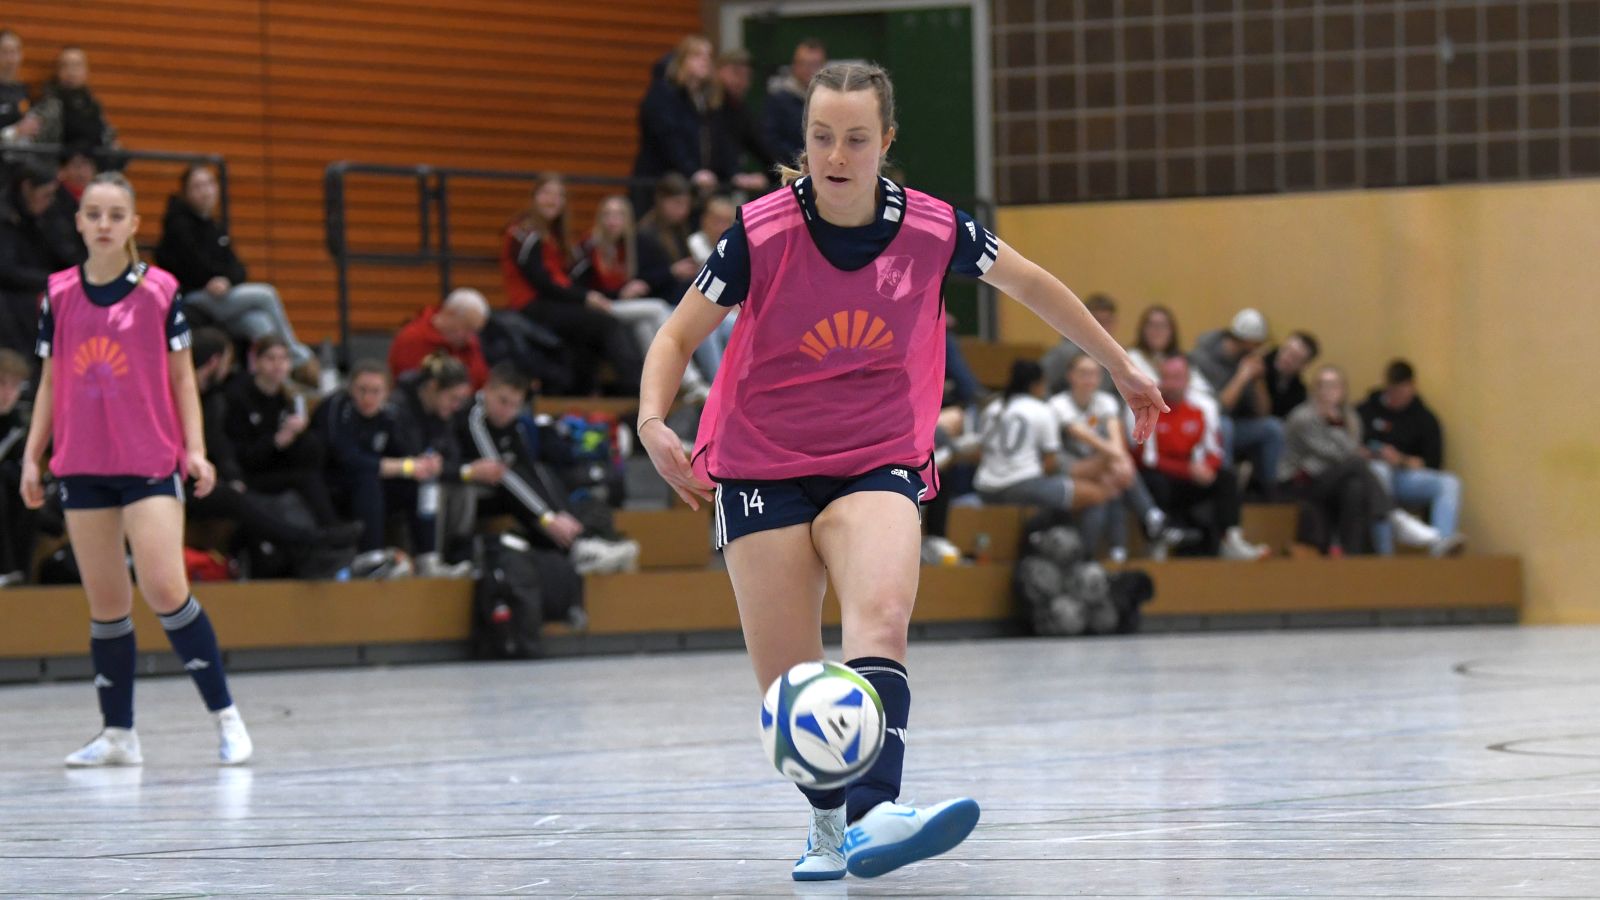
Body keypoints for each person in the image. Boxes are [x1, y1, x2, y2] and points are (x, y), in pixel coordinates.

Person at [636, 62, 1166, 880]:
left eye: (855, 139)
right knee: (793, 689)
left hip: (876, 452)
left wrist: (1121, 366)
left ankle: (875, 813)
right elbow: (675, 336)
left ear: (885, 141)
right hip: (760, 463)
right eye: (820, 137)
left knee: (881, 617)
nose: (835, 156)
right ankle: (827, 826)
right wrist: (651, 421)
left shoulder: (931, 227)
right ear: (803, 140)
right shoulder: (761, 232)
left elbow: (1030, 283)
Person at [19, 172, 251, 766]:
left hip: (148, 459)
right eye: (93, 213)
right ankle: (118, 734)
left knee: (166, 588)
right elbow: (50, 381)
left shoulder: (159, 291)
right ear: (78, 222)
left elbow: (182, 379)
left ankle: (226, 716)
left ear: (134, 224)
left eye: (115, 215)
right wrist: (32, 456)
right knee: (106, 603)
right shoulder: (58, 294)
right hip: (82, 463)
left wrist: (194, 450)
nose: (104, 224)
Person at [461, 363, 640, 575]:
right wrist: (546, 516)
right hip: (469, 487)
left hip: (506, 490)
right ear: (487, 390)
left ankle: (580, 539)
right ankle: (576, 546)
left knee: (541, 471)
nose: (507, 411)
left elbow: (528, 467)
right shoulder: (475, 416)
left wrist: (555, 512)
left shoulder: (514, 423)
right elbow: (497, 472)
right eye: (503, 401)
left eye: (515, 405)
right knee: (514, 478)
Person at [154, 164, 313, 371]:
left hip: (220, 296)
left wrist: (227, 280)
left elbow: (237, 267)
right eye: (198, 186)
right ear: (186, 193)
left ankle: (276, 377)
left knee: (258, 323)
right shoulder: (178, 225)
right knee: (267, 294)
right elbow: (194, 265)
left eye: (209, 184)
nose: (205, 191)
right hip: (195, 297)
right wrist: (212, 279)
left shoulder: (214, 226)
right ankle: (297, 356)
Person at [500, 173, 642, 397]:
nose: (552, 200)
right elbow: (543, 282)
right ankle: (636, 390)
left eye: (559, 196)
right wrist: (585, 297)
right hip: (532, 305)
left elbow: (562, 280)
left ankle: (590, 391)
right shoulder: (524, 234)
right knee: (606, 323)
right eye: (546, 193)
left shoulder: (553, 235)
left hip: (550, 302)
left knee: (595, 325)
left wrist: (586, 296)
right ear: (534, 197)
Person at [573, 194, 710, 400]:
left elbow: (645, 278)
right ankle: (691, 379)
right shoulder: (590, 246)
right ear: (600, 218)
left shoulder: (628, 246)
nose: (612, 220)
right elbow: (580, 286)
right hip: (598, 306)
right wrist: (620, 292)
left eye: (618, 215)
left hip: (621, 306)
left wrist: (629, 289)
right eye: (608, 215)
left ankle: (664, 388)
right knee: (658, 308)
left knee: (644, 327)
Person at [1135, 356, 1268, 560]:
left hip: (1191, 475)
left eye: (1177, 377)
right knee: (1154, 481)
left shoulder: (1201, 408)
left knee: (1226, 477)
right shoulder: (1149, 408)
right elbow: (1147, 458)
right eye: (1167, 378)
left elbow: (1214, 450)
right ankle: (1157, 541)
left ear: (1188, 379)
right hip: (1163, 475)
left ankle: (1231, 539)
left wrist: (1207, 468)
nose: (1172, 384)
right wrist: (1187, 470)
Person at [1050, 354, 1180, 561]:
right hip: (1071, 466)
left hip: (1102, 465)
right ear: (1070, 376)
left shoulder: (1105, 400)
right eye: (1083, 373)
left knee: (1113, 485)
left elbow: (1114, 429)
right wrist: (1119, 458)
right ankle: (1150, 516)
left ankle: (1117, 551)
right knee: (1115, 471)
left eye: (1094, 373)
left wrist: (1120, 460)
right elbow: (1080, 433)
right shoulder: (1058, 403)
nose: (1089, 379)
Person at [974, 360, 1120, 514]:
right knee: (1100, 493)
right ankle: (1043, 525)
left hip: (984, 487)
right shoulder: (1042, 410)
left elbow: (980, 452)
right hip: (1023, 485)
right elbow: (1050, 462)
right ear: (1035, 385)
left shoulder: (992, 409)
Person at [1357, 360, 1466, 554]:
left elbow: (1432, 464)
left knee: (1450, 482)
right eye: (1392, 391)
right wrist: (1372, 454)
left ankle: (1441, 547)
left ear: (1413, 387)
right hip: (1370, 477)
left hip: (1404, 477)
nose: (1396, 397)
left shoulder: (1425, 419)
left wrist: (1401, 460)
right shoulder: (1365, 411)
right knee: (1380, 470)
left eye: (1402, 392)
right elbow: (1347, 447)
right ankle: (1384, 553)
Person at [1190, 307, 1284, 499]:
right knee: (1225, 426)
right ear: (1246, 341)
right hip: (1205, 428)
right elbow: (1218, 410)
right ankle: (1226, 491)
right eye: (1257, 344)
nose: (1260, 349)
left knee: (1273, 428)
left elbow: (1262, 412)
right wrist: (1242, 377)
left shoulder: (1248, 360)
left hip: (1237, 425)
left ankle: (1269, 492)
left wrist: (1258, 380)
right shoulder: (1202, 359)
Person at [630, 34, 720, 215]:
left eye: (708, 56)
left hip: (689, 186)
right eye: (697, 55)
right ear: (682, 60)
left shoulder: (703, 100)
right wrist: (693, 172)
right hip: (660, 185)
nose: (704, 61)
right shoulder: (663, 94)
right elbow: (668, 138)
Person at [0, 160, 83, 356]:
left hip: (35, 288)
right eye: (46, 195)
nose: (50, 201)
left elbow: (62, 253)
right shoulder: (5, 218)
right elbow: (6, 270)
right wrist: (52, 280)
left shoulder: (44, 216)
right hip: (12, 297)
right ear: (27, 188)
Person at [389, 287, 491, 390]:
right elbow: (408, 385)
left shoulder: (468, 343)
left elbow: (481, 380)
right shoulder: (412, 338)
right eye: (467, 328)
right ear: (450, 314)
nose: (470, 337)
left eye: (474, 331)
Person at [709, 48, 776, 192]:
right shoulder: (709, 106)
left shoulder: (740, 110)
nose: (742, 81)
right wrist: (735, 174)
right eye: (736, 73)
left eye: (747, 76)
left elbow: (761, 147)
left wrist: (780, 172)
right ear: (718, 71)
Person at [32, 47, 118, 153]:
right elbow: (38, 146)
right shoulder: (48, 105)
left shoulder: (94, 105)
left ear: (86, 71)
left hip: (92, 162)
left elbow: (107, 139)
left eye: (77, 65)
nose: (71, 72)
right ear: (58, 71)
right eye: (65, 66)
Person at [0, 348, 35, 585]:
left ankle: (20, 575)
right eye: (2, 384)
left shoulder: (18, 425)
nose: (8, 394)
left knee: (30, 495)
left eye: (15, 386)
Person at [762, 39, 827, 167]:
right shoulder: (778, 100)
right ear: (794, 65)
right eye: (803, 63)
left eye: (815, 64)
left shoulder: (832, 101)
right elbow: (771, 142)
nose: (809, 69)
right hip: (791, 170)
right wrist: (804, 160)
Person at [1039, 292, 1118, 395]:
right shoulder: (1063, 353)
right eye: (1098, 321)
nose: (1103, 328)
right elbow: (1040, 383)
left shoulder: (1115, 356)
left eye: (1107, 321)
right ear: (1085, 321)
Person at [1264, 330, 1319, 419]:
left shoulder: (1299, 391)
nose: (1286, 358)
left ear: (1304, 365)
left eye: (1295, 357)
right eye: (1286, 350)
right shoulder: (1259, 365)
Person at [0, 29, 41, 145]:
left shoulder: (24, 90)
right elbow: (18, 131)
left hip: (22, 154)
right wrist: (15, 132)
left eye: (14, 52)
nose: (10, 59)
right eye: (4, 52)